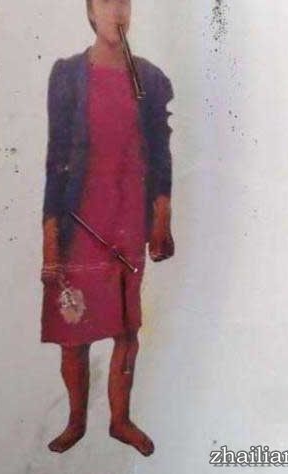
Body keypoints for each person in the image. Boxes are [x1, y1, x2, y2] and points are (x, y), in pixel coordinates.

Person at [40, 0, 175, 456]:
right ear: (90, 12)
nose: (117, 11)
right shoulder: (67, 76)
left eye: (124, 3)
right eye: (106, 3)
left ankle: (120, 421)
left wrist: (161, 219)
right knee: (73, 331)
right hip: (80, 222)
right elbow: (56, 160)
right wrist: (50, 240)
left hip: (128, 220)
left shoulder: (151, 79)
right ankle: (76, 421)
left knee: (126, 330)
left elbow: (160, 156)